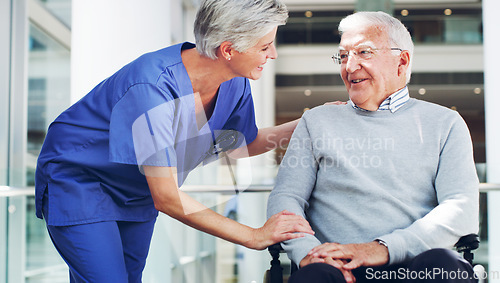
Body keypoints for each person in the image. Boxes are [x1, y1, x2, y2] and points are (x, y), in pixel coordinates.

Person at [35, 0, 315, 282]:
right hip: (80, 181)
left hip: (136, 190)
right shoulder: (152, 87)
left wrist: (311, 124)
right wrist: (253, 236)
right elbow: (167, 197)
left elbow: (241, 145)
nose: (273, 54)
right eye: (265, 47)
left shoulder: (235, 81)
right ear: (228, 50)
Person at [267, 11, 479, 283]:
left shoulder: (445, 123)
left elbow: (460, 208)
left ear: (401, 61)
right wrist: (310, 253)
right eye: (343, 56)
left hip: (414, 267)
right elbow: (286, 198)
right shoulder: (317, 120)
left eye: (363, 53)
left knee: (445, 265)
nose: (349, 66)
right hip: (336, 269)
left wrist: (382, 249)